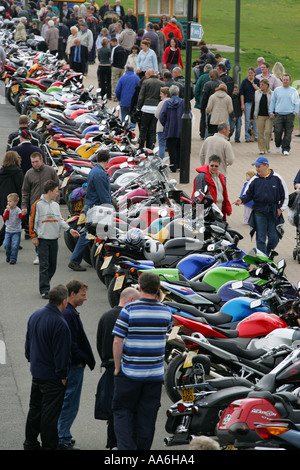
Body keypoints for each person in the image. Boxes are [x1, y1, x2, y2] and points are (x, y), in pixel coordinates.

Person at [112, 272, 172, 450]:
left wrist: (117, 366)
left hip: (130, 372)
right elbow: (167, 330)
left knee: (122, 411)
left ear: (140, 287)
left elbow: (117, 340)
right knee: (147, 418)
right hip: (154, 376)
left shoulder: (129, 310)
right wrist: (159, 299)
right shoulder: (165, 311)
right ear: (158, 289)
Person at [23, 284, 71, 450]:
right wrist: (63, 375)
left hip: (37, 372)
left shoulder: (35, 315)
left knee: (35, 409)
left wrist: (31, 359)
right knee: (50, 415)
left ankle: (30, 443)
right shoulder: (60, 323)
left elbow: (28, 343)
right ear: (64, 301)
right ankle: (49, 445)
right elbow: (61, 354)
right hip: (52, 377)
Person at [95, 287, 140, 450]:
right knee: (126, 409)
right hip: (125, 368)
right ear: (131, 301)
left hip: (108, 367)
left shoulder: (105, 316)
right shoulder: (130, 318)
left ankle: (112, 443)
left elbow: (99, 342)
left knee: (112, 407)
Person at [57, 280, 95, 450]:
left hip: (72, 364)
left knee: (69, 401)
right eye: (82, 294)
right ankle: (62, 438)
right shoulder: (69, 314)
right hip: (73, 366)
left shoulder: (68, 313)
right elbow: (71, 342)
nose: (85, 299)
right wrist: (81, 358)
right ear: (72, 294)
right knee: (70, 402)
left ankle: (64, 433)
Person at [29, 180, 80, 298]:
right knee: (44, 266)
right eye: (56, 191)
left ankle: (46, 282)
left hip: (54, 239)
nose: (58, 194)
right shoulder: (37, 205)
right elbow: (32, 221)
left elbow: (61, 220)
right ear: (50, 191)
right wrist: (34, 236)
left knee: (53, 266)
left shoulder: (56, 205)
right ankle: (44, 289)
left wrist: (70, 230)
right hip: (42, 239)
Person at [233, 156, 289, 256]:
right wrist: (241, 200)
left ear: (266, 166)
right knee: (260, 238)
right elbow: (248, 194)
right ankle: (262, 259)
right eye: (256, 167)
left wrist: (281, 209)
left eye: (259, 166)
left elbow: (285, 195)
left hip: (273, 212)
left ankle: (267, 253)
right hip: (259, 211)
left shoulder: (277, 178)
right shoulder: (254, 180)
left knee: (274, 237)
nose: (257, 169)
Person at [68, 150, 112, 272]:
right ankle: (78, 260)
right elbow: (104, 195)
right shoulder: (100, 174)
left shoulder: (95, 171)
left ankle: (81, 260)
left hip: (92, 207)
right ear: (108, 160)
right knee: (93, 234)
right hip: (97, 209)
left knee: (89, 234)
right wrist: (110, 208)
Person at [21, 151, 59, 262]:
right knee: (37, 231)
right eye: (32, 162)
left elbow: (57, 187)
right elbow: (25, 191)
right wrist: (24, 205)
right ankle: (39, 254)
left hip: (50, 206)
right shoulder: (29, 174)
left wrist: (55, 201)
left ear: (42, 160)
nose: (35, 164)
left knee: (50, 230)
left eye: (36, 161)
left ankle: (49, 253)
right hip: (35, 207)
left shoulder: (51, 171)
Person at [192, 155, 232, 221]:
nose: (214, 167)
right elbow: (198, 196)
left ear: (219, 165)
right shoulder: (201, 177)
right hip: (208, 210)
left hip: (218, 208)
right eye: (212, 165)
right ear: (209, 164)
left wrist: (227, 208)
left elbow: (224, 194)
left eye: (216, 166)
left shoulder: (221, 177)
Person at [269, 73, 299, 156]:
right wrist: (271, 111)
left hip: (290, 114)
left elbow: (297, 102)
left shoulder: (293, 91)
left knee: (288, 132)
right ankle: (278, 144)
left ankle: (285, 148)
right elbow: (273, 101)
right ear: (282, 80)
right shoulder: (277, 90)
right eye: (284, 80)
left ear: (289, 81)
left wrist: (294, 112)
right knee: (277, 131)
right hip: (279, 114)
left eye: (287, 80)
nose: (285, 81)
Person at [159, 84, 185, 172]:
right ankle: (180, 165)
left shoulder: (167, 103)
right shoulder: (183, 102)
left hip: (170, 129)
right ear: (178, 92)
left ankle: (173, 165)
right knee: (180, 147)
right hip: (181, 129)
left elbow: (162, 115)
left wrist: (166, 124)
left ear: (170, 93)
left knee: (171, 148)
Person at [0, 151, 24, 247]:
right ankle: (12, 241)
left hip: (3, 200)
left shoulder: (2, 172)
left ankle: (12, 242)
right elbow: (21, 187)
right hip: (14, 200)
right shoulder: (17, 172)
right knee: (13, 223)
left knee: (8, 222)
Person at [137, 69, 163, 150]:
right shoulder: (161, 83)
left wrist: (138, 107)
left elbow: (141, 96)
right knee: (152, 129)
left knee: (143, 128)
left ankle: (141, 146)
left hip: (146, 108)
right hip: (155, 108)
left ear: (149, 74)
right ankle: (151, 146)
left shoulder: (146, 82)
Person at [250, 78, 273, 154]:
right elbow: (254, 104)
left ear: (266, 85)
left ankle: (267, 146)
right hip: (259, 116)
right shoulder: (256, 93)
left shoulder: (271, 93)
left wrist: (273, 113)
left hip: (268, 116)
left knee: (268, 132)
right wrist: (251, 116)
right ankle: (261, 149)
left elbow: (273, 104)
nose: (261, 86)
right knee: (260, 133)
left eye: (262, 85)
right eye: (260, 85)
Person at [3, 193, 26, 264]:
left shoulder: (17, 210)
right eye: (8, 201)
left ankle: (13, 258)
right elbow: (5, 218)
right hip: (8, 230)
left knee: (15, 245)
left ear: (16, 202)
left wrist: (23, 214)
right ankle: (8, 256)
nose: (8, 203)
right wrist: (8, 210)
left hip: (16, 231)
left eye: (10, 201)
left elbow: (21, 217)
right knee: (6, 244)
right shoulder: (6, 210)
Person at [239, 67, 260, 142]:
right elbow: (241, 93)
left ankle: (256, 135)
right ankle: (247, 136)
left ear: (254, 73)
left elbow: (259, 90)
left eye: (252, 73)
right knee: (247, 119)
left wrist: (252, 83)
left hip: (256, 102)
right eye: (249, 73)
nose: (250, 74)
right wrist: (242, 104)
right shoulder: (244, 82)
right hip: (248, 102)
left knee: (255, 119)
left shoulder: (257, 81)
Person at [200, 69, 222, 138]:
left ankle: (208, 138)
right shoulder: (222, 84)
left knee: (208, 125)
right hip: (220, 107)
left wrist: (202, 107)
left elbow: (204, 97)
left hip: (209, 107)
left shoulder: (207, 84)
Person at [194, 64, 213, 139]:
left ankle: (202, 133)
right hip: (212, 102)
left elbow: (197, 89)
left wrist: (197, 99)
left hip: (203, 101)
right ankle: (210, 132)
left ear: (205, 69)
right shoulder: (214, 77)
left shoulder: (201, 77)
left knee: (203, 117)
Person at [155, 86, 170, 159]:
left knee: (161, 144)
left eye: (161, 93)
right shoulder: (171, 101)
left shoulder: (162, 103)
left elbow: (157, 114)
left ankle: (161, 160)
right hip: (170, 127)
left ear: (166, 94)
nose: (160, 95)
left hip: (161, 126)